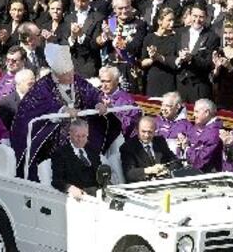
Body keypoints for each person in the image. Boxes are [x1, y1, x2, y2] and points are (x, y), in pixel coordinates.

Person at [11, 43, 120, 181]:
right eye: (66, 74)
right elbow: (35, 107)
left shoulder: (77, 80)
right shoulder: (42, 86)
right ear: (56, 74)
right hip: (52, 138)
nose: (71, 77)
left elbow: (91, 93)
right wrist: (61, 110)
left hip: (79, 132)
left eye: (71, 72)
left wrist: (98, 103)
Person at [175, 2, 220, 102]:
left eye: (201, 17)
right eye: (195, 16)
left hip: (199, 86)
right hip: (180, 85)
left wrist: (192, 58)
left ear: (206, 17)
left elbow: (209, 63)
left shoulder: (212, 37)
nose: (197, 20)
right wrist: (178, 59)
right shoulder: (180, 32)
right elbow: (172, 55)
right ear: (190, 15)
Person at [51, 118, 101, 199]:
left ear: (87, 134)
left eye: (83, 136)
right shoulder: (60, 153)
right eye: (77, 136)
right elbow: (57, 181)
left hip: (97, 193)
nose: (80, 140)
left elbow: (99, 172)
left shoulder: (92, 150)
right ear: (70, 134)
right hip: (79, 197)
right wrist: (70, 188)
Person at [120, 116, 177, 182]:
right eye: (143, 132)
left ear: (155, 131)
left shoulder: (160, 142)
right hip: (142, 186)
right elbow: (129, 173)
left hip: (164, 182)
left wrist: (166, 170)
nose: (146, 135)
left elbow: (175, 161)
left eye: (150, 132)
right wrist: (149, 170)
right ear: (136, 130)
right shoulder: (128, 147)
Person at [177, 98, 223, 173]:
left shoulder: (213, 133)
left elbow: (200, 160)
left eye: (197, 112)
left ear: (207, 112)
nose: (194, 115)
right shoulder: (206, 129)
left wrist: (186, 148)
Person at [141, 7, 178, 96]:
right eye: (169, 20)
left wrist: (159, 57)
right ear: (160, 21)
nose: (172, 23)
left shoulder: (176, 38)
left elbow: (175, 60)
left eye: (173, 20)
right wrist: (152, 59)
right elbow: (143, 62)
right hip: (153, 79)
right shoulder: (149, 38)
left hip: (169, 79)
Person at [99, 65, 141, 138]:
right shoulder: (95, 96)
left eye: (108, 81)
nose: (104, 85)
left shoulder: (128, 100)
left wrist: (112, 111)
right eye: (102, 81)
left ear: (117, 81)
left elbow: (130, 127)